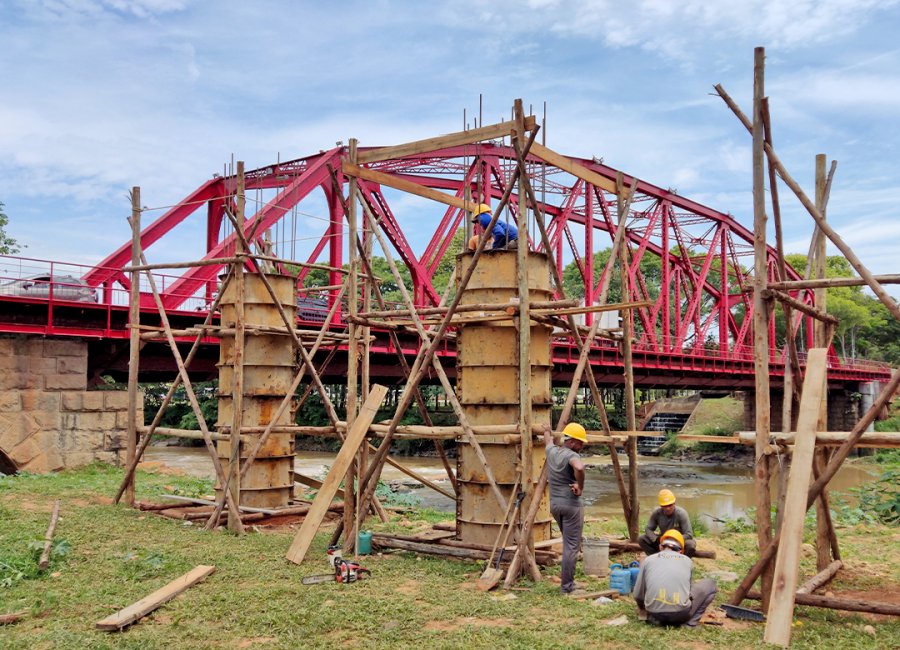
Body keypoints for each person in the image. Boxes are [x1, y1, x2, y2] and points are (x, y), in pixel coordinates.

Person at [632, 529, 717, 628]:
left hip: (654, 613)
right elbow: (688, 593)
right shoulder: (687, 561)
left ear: (660, 547)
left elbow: (638, 595)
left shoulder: (648, 560)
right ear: (680, 550)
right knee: (710, 584)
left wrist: (644, 609)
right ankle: (691, 623)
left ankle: (657, 620)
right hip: (680, 614)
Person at [543, 421, 587, 594]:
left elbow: (547, 441)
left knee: (569, 543)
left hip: (555, 505)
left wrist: (547, 431)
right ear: (572, 442)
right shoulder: (571, 456)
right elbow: (580, 467)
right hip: (571, 506)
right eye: (581, 442)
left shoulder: (552, 451)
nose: (582, 445)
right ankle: (567, 587)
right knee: (571, 547)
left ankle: (569, 583)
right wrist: (580, 486)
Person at [639, 488, 696, 557]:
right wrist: (656, 539)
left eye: (670, 505)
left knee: (691, 545)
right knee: (642, 539)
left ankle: (681, 561)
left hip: (678, 541)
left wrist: (673, 538)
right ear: (661, 506)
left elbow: (689, 534)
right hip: (663, 541)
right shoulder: (657, 513)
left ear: (674, 503)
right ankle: (655, 557)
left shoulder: (681, 514)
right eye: (665, 506)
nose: (668, 508)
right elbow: (648, 529)